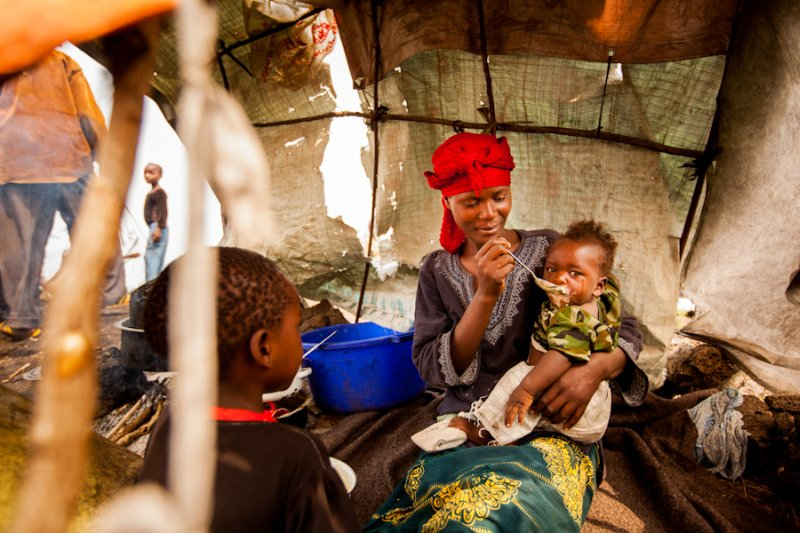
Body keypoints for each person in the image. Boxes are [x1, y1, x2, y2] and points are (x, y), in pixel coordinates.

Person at [365, 132, 648, 532]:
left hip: (552, 421)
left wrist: (594, 371)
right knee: (446, 511)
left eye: (498, 196)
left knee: (508, 507)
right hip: (472, 420)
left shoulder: (551, 252)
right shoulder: (435, 270)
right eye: (471, 202)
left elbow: (624, 325)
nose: (488, 214)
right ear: (447, 202)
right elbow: (430, 365)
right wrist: (485, 295)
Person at [138, 247, 360, 532]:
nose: (299, 335)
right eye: (295, 325)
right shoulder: (296, 455)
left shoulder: (169, 421)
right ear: (264, 348)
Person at [430, 220, 622, 448]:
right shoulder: (601, 298)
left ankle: (487, 433)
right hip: (574, 403)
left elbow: (561, 354)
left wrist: (526, 389)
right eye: (552, 269)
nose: (560, 278)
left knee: (513, 389)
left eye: (574, 273)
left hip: (569, 396)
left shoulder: (575, 316)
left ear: (599, 286)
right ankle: (517, 435)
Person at [0, 50, 126, 340]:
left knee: (21, 244)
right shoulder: (58, 61)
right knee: (96, 227)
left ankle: (23, 319)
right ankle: (112, 294)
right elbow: (88, 114)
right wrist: (105, 154)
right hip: (70, 159)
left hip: (17, 165)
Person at [142, 162, 169, 281]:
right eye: (145, 173)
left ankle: (151, 284)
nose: (147, 175)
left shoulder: (159, 192)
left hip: (158, 227)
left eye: (151, 173)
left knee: (153, 256)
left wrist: (159, 227)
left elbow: (162, 211)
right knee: (149, 256)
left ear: (159, 175)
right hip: (154, 227)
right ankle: (151, 282)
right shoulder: (152, 192)